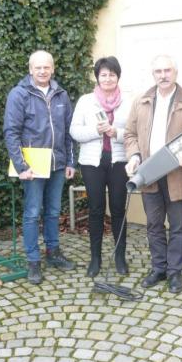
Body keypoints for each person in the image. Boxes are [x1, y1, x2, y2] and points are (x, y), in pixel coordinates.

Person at [124, 55, 182, 294]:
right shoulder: (141, 101)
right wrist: (134, 156)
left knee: (177, 226)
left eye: (167, 70)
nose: (163, 75)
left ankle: (175, 272)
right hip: (149, 173)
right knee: (154, 225)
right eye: (158, 71)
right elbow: (130, 134)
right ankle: (159, 268)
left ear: (175, 72)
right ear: (153, 74)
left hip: (177, 174)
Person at [4, 50, 77, 285]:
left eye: (47, 67)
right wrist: (21, 165)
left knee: (54, 211)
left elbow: (68, 131)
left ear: (53, 69)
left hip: (57, 163)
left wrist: (70, 162)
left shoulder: (61, 95)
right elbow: (11, 132)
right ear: (30, 69)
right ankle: (33, 260)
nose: (43, 71)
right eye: (38, 68)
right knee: (33, 212)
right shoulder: (19, 94)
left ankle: (53, 252)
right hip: (32, 166)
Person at [70, 56, 131, 277]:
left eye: (112, 74)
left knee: (118, 209)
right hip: (92, 163)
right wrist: (96, 131)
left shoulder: (128, 101)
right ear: (97, 77)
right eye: (103, 74)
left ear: (118, 77)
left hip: (119, 162)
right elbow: (74, 131)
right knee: (95, 209)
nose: (107, 78)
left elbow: (135, 133)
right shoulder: (86, 101)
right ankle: (95, 258)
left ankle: (119, 256)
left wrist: (117, 133)